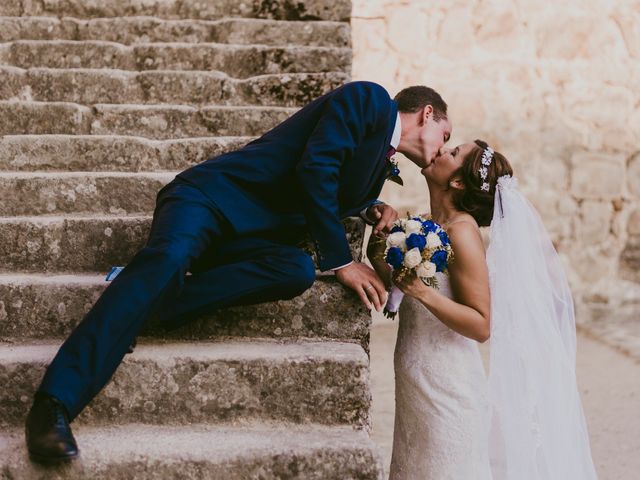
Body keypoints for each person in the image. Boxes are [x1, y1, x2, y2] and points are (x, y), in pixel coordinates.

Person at [25, 81, 452, 463]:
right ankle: (55, 403)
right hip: (207, 201)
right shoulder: (370, 99)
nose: (443, 144)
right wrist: (342, 261)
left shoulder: (381, 158)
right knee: (170, 258)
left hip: (250, 236)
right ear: (426, 114)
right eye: (445, 135)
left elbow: (334, 182)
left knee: (297, 270)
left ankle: (141, 296)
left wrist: (369, 207)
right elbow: (317, 168)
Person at [368, 140, 598, 479]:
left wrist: (422, 293)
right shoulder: (427, 224)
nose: (442, 151)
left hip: (449, 388)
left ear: (459, 182)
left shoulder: (462, 232)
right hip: (417, 385)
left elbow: (481, 324)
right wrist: (380, 236)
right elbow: (396, 281)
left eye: (453, 153)